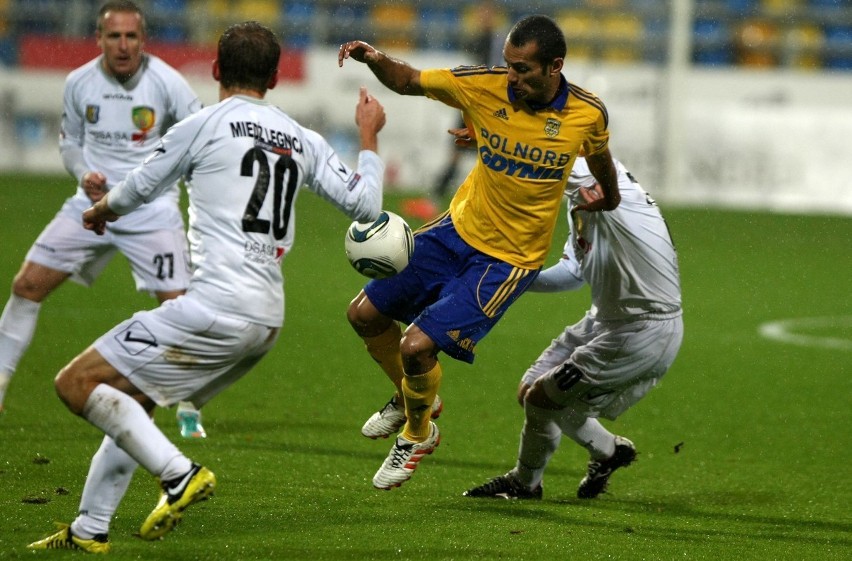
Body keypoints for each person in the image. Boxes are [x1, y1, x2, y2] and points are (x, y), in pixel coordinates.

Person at [27, 20, 387, 552]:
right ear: (273, 78)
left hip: (213, 307)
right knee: (134, 399)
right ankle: (88, 530)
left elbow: (142, 185)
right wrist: (369, 136)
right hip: (265, 319)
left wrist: (102, 210)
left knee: (76, 384)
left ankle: (178, 475)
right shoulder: (301, 139)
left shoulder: (204, 123)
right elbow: (367, 207)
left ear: (217, 70)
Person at [338, 14, 621, 491]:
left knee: (416, 346)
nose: (511, 76)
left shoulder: (587, 113)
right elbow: (408, 81)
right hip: (455, 231)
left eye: (524, 69)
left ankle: (417, 432)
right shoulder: (485, 86)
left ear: (556, 66)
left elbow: (599, 160)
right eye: (508, 65)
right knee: (363, 314)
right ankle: (413, 398)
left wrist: (607, 198)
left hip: (507, 261)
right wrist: (374, 57)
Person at [0, 0, 206, 439]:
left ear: (143, 40)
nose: (123, 44)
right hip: (89, 206)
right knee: (26, 286)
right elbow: (70, 142)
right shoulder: (79, 82)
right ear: (99, 39)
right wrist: (83, 174)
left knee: (180, 309)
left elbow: (200, 137)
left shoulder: (168, 82)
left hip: (150, 210)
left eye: (131, 36)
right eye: (114, 36)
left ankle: (189, 402)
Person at [463, 155, 683, 500]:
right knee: (530, 392)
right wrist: (512, 278)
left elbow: (546, 159)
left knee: (542, 399)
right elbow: (572, 274)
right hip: (606, 319)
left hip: (642, 328)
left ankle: (524, 484)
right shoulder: (582, 201)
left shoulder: (606, 181)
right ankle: (609, 451)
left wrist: (494, 139)